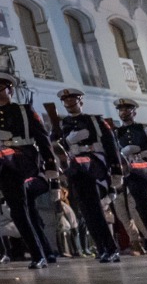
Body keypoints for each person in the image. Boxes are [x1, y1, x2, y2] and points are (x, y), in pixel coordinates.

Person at [0, 71, 55, 268]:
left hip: (23, 160)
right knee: (18, 211)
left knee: (21, 210)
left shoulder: (24, 111)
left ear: (10, 90)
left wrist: (50, 165)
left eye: (0, 88)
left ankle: (39, 255)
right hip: (3, 166)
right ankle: (40, 253)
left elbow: (42, 138)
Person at [53, 87, 124, 263]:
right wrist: (63, 143)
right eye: (66, 101)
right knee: (86, 212)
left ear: (80, 102)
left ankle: (111, 248)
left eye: (72, 100)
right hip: (75, 170)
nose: (69, 103)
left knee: (96, 210)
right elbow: (57, 147)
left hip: (94, 167)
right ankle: (101, 248)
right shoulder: (63, 124)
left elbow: (111, 146)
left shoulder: (95, 121)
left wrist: (116, 170)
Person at [113, 98, 147, 258]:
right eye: (121, 110)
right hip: (132, 173)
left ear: (134, 112)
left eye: (127, 109)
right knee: (142, 207)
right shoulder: (116, 133)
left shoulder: (146, 129)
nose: (124, 112)